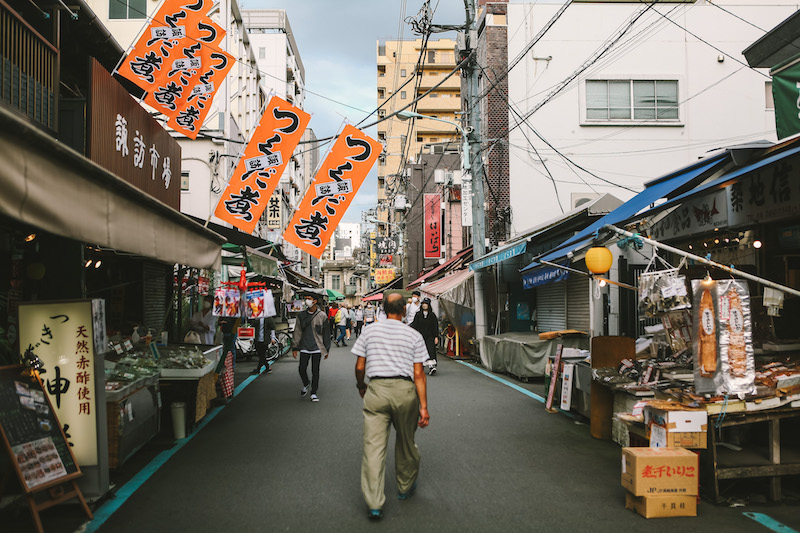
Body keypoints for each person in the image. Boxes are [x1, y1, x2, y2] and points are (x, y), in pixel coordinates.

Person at [353, 292, 430, 520]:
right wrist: (423, 407)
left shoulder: (369, 331)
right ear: (404, 310)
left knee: (373, 447)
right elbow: (419, 374)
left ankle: (374, 503)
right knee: (406, 441)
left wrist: (361, 385)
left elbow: (359, 366)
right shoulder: (413, 335)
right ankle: (405, 486)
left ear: (384, 309)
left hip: (376, 389)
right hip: (405, 391)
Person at [292, 293, 331, 402]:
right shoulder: (301, 315)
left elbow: (326, 333)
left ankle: (314, 392)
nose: (306, 301)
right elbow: (297, 331)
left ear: (314, 301)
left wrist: (326, 349)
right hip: (304, 345)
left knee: (315, 370)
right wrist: (295, 347)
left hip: (317, 347)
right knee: (301, 368)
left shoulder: (322, 315)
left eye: (309, 299)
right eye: (306, 299)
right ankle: (306, 383)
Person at [410, 298, 439, 375]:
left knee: (431, 350)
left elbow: (435, 326)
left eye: (426, 304)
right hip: (420, 336)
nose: (424, 306)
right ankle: (420, 367)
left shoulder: (432, 315)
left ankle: (432, 367)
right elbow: (414, 325)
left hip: (430, 336)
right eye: (423, 304)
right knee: (420, 351)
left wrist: (436, 337)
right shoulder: (418, 315)